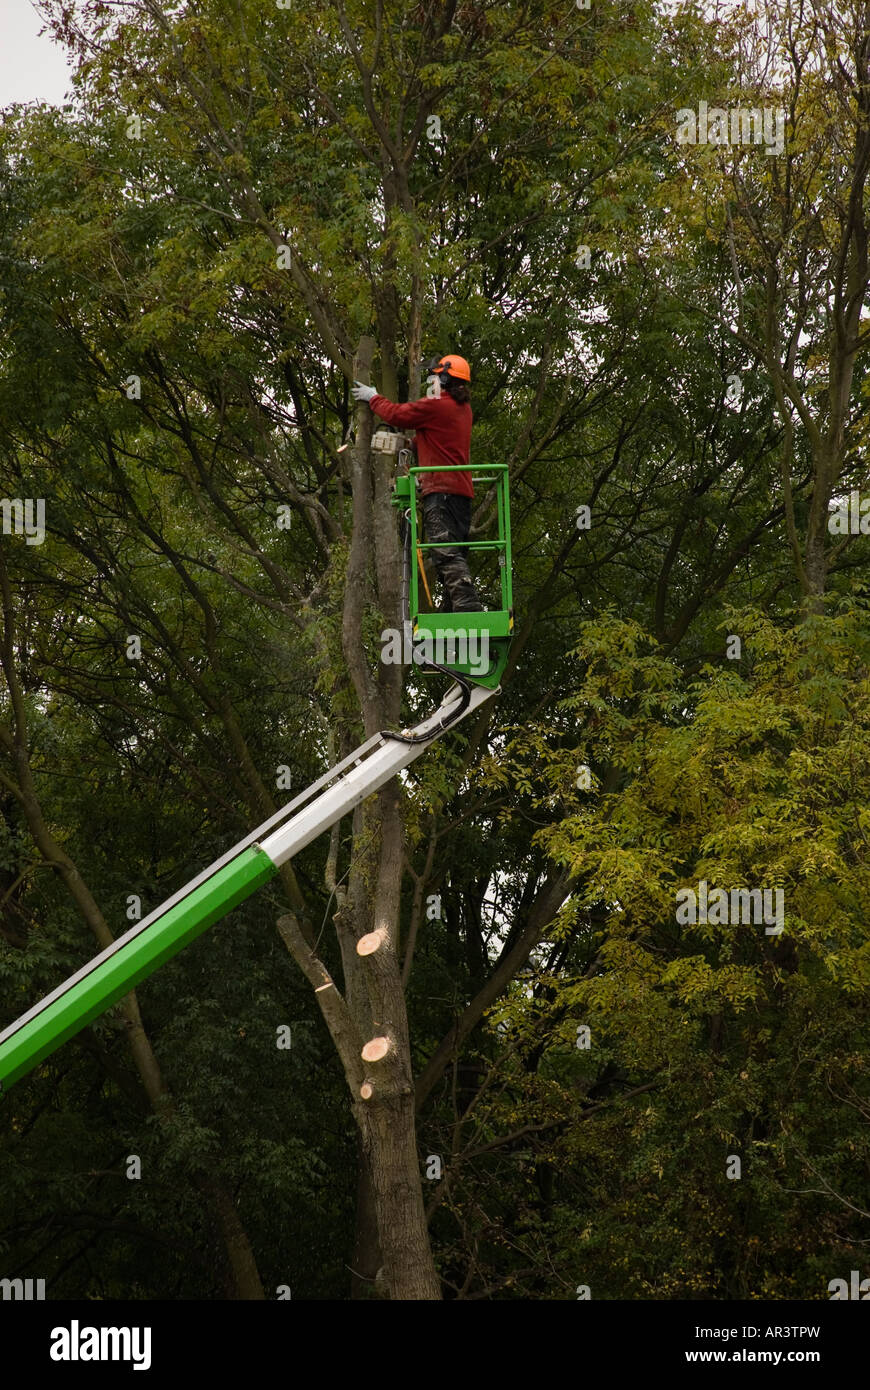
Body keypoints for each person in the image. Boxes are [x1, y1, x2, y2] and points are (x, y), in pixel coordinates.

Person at [351, 354, 484, 612]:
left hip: (442, 493)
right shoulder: (462, 410)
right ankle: (454, 609)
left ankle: (468, 606)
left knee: (444, 550)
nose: (430, 382)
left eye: (434, 377)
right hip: (461, 494)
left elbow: (398, 414)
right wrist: (407, 445)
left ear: (444, 379)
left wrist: (373, 397)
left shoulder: (436, 405)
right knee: (454, 553)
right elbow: (440, 441)